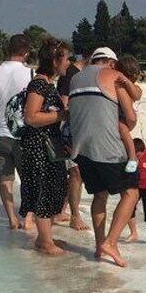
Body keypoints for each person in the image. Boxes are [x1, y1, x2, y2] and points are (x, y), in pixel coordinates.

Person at [69, 46, 139, 267]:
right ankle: (111, 242)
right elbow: (131, 118)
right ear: (111, 62)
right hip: (107, 148)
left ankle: (100, 246)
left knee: (100, 195)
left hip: (81, 149)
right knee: (131, 193)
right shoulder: (113, 76)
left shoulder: (75, 78)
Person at [19, 39, 71, 255]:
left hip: (48, 145)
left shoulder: (47, 84)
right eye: (66, 58)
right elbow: (30, 116)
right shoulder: (39, 84)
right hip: (39, 147)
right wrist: (60, 115)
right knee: (44, 189)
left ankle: (44, 237)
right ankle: (45, 241)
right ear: (55, 60)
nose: (68, 63)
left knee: (55, 187)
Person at [0, 34, 33, 229]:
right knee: (28, 179)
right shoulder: (30, 75)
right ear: (26, 53)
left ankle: (11, 218)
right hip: (22, 135)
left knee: (5, 179)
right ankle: (27, 218)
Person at [55, 54, 90, 230]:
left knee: (74, 173)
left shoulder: (76, 75)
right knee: (75, 172)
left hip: (74, 129)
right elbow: (64, 104)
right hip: (69, 130)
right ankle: (73, 216)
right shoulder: (71, 75)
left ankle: (62, 210)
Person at [114, 55, 143, 170]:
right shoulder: (118, 86)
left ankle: (132, 157)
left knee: (122, 129)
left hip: (126, 117)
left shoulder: (135, 88)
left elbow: (137, 96)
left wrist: (127, 83)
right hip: (121, 115)